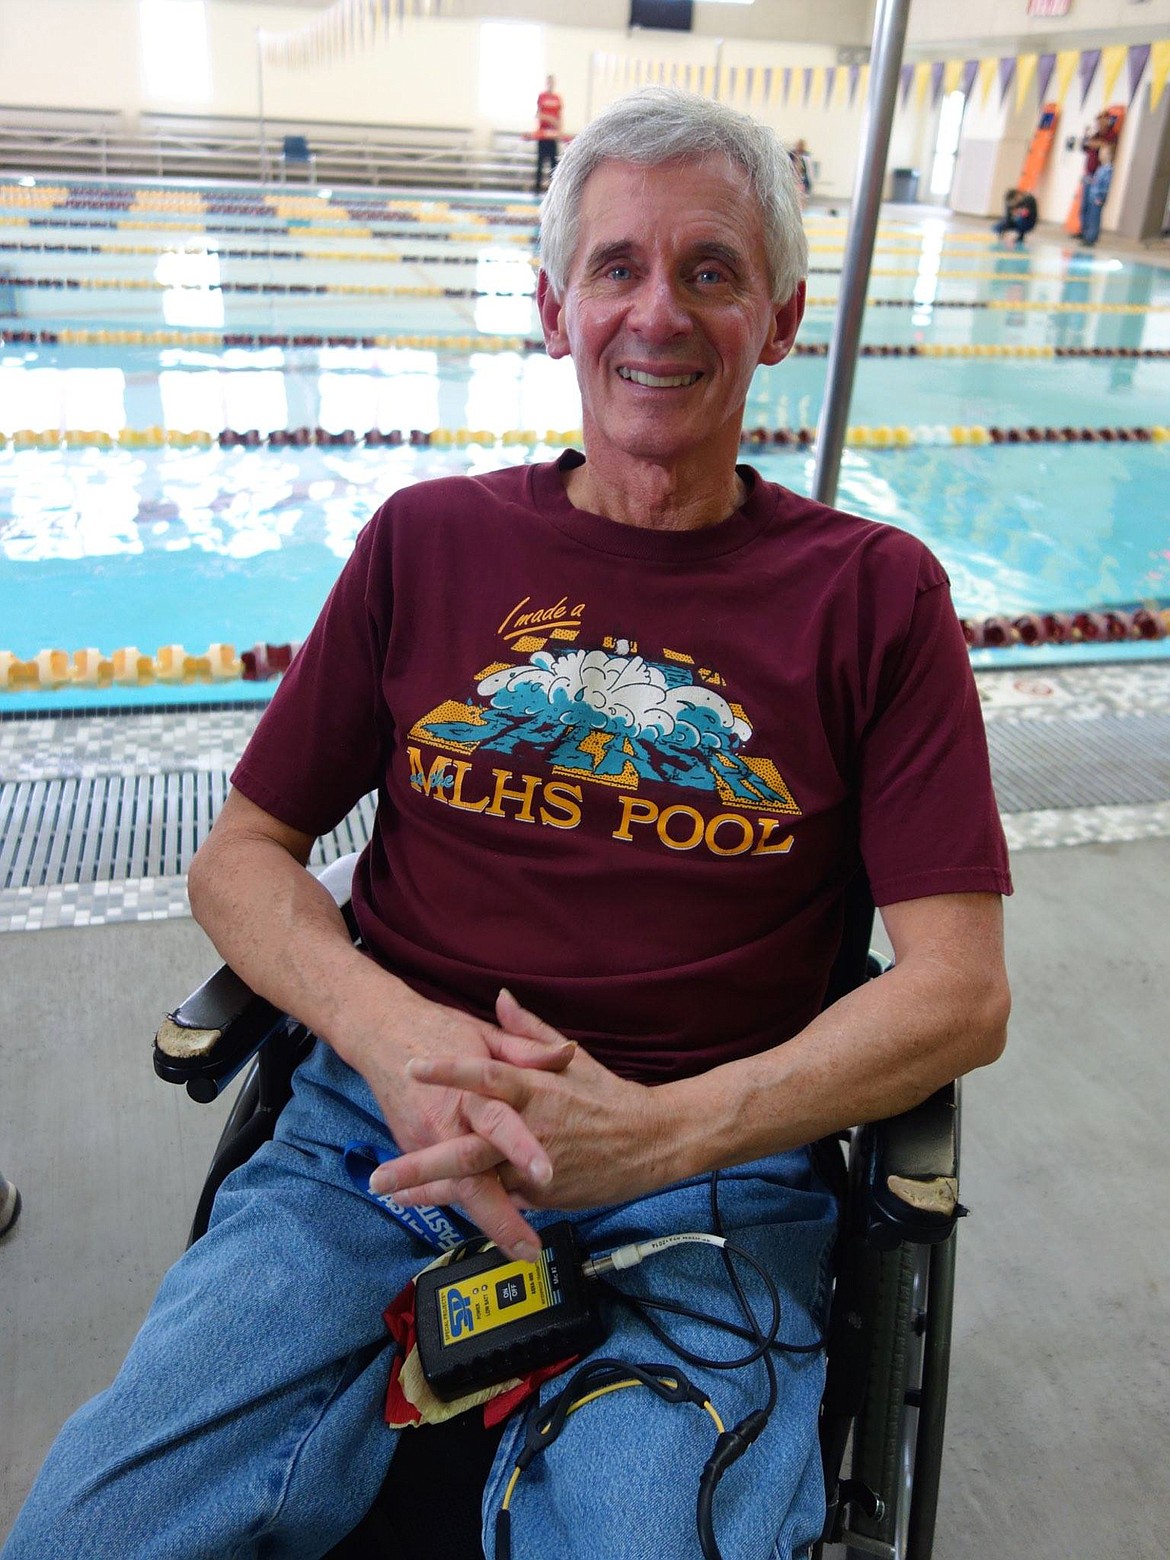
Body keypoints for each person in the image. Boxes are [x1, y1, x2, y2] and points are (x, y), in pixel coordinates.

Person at [4, 88, 1011, 1560]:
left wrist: (655, 1134)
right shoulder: (430, 541)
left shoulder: (873, 597)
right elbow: (240, 858)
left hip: (708, 1175)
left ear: (780, 319)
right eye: (616, 267)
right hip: (377, 1135)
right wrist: (394, 1044)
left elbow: (958, 989)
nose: (656, 312)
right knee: (89, 1536)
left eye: (710, 271)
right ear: (554, 308)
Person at [1079, 110, 1118, 244]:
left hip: (1098, 181)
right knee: (1085, 207)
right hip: (1089, 176)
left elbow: (1106, 146)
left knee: (1095, 210)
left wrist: (1095, 143)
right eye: (1098, 122)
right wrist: (1089, 139)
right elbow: (1085, 146)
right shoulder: (1095, 135)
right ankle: (1084, 233)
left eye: (1102, 121)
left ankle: (1091, 237)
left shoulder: (1111, 135)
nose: (1099, 124)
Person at [1080, 140, 1114, 248]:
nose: (1100, 156)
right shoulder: (1101, 168)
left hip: (1097, 197)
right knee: (1090, 217)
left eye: (1103, 154)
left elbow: (1105, 185)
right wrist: (1089, 180)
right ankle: (1087, 235)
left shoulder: (1108, 170)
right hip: (1092, 195)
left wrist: (1101, 197)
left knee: (1095, 218)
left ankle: (1091, 238)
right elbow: (1096, 181)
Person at [533, 74, 563, 195]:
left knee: (553, 163)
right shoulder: (542, 96)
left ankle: (553, 191)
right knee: (540, 162)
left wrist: (559, 129)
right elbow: (538, 114)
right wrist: (550, 119)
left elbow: (560, 117)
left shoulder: (557, 98)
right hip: (543, 135)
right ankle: (537, 189)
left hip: (553, 136)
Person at [788, 138, 812, 203]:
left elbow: (808, 169)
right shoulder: (791, 155)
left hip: (802, 179)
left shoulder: (806, 156)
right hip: (792, 178)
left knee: (802, 195)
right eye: (798, 145)